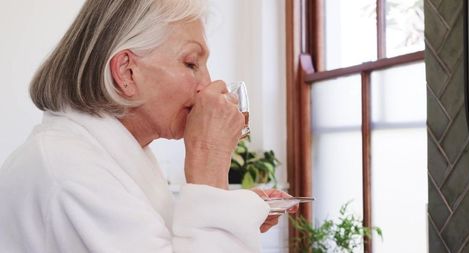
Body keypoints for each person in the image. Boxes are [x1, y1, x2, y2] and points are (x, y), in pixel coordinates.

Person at [0, 0, 296, 252]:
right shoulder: (71, 172)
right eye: (191, 63)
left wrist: (231, 213)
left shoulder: (111, 156)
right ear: (127, 72)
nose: (206, 84)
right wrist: (210, 158)